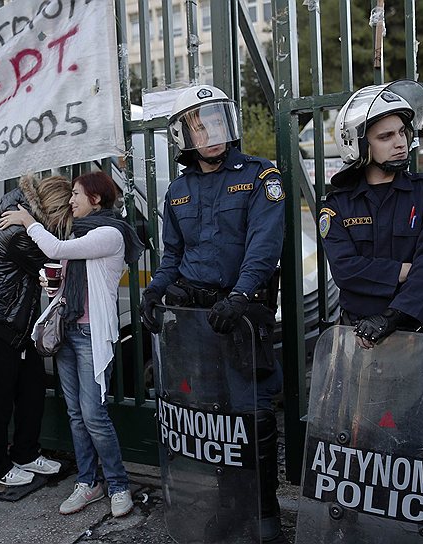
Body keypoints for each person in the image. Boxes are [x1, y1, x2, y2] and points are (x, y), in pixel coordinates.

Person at [138, 84, 286, 542]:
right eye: (200, 126)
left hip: (240, 314)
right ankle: (229, 507)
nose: (211, 133)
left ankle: (264, 516)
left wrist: (240, 295)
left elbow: (264, 246)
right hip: (196, 321)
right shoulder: (178, 191)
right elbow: (173, 257)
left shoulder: (261, 176)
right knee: (214, 418)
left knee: (253, 419)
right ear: (184, 135)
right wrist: (154, 291)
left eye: (217, 121)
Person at [0, 171, 144, 518]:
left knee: (94, 415)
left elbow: (57, 249)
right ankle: (88, 482)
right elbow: (63, 276)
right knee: (76, 415)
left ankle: (119, 484)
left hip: (92, 334)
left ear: (96, 199)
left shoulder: (109, 233)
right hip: (67, 330)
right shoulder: (77, 233)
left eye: (77, 194)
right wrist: (52, 285)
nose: (71, 200)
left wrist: (28, 220)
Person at [319, 79, 423, 347]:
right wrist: (402, 271)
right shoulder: (337, 205)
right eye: (385, 136)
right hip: (359, 337)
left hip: (422, 335)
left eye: (402, 132)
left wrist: (393, 317)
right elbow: (345, 270)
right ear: (358, 144)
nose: (400, 142)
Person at [0, 174, 72, 487]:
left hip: (14, 323)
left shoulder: (26, 223)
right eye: (66, 215)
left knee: (31, 391)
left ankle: (25, 453)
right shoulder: (18, 230)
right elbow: (56, 258)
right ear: (53, 211)